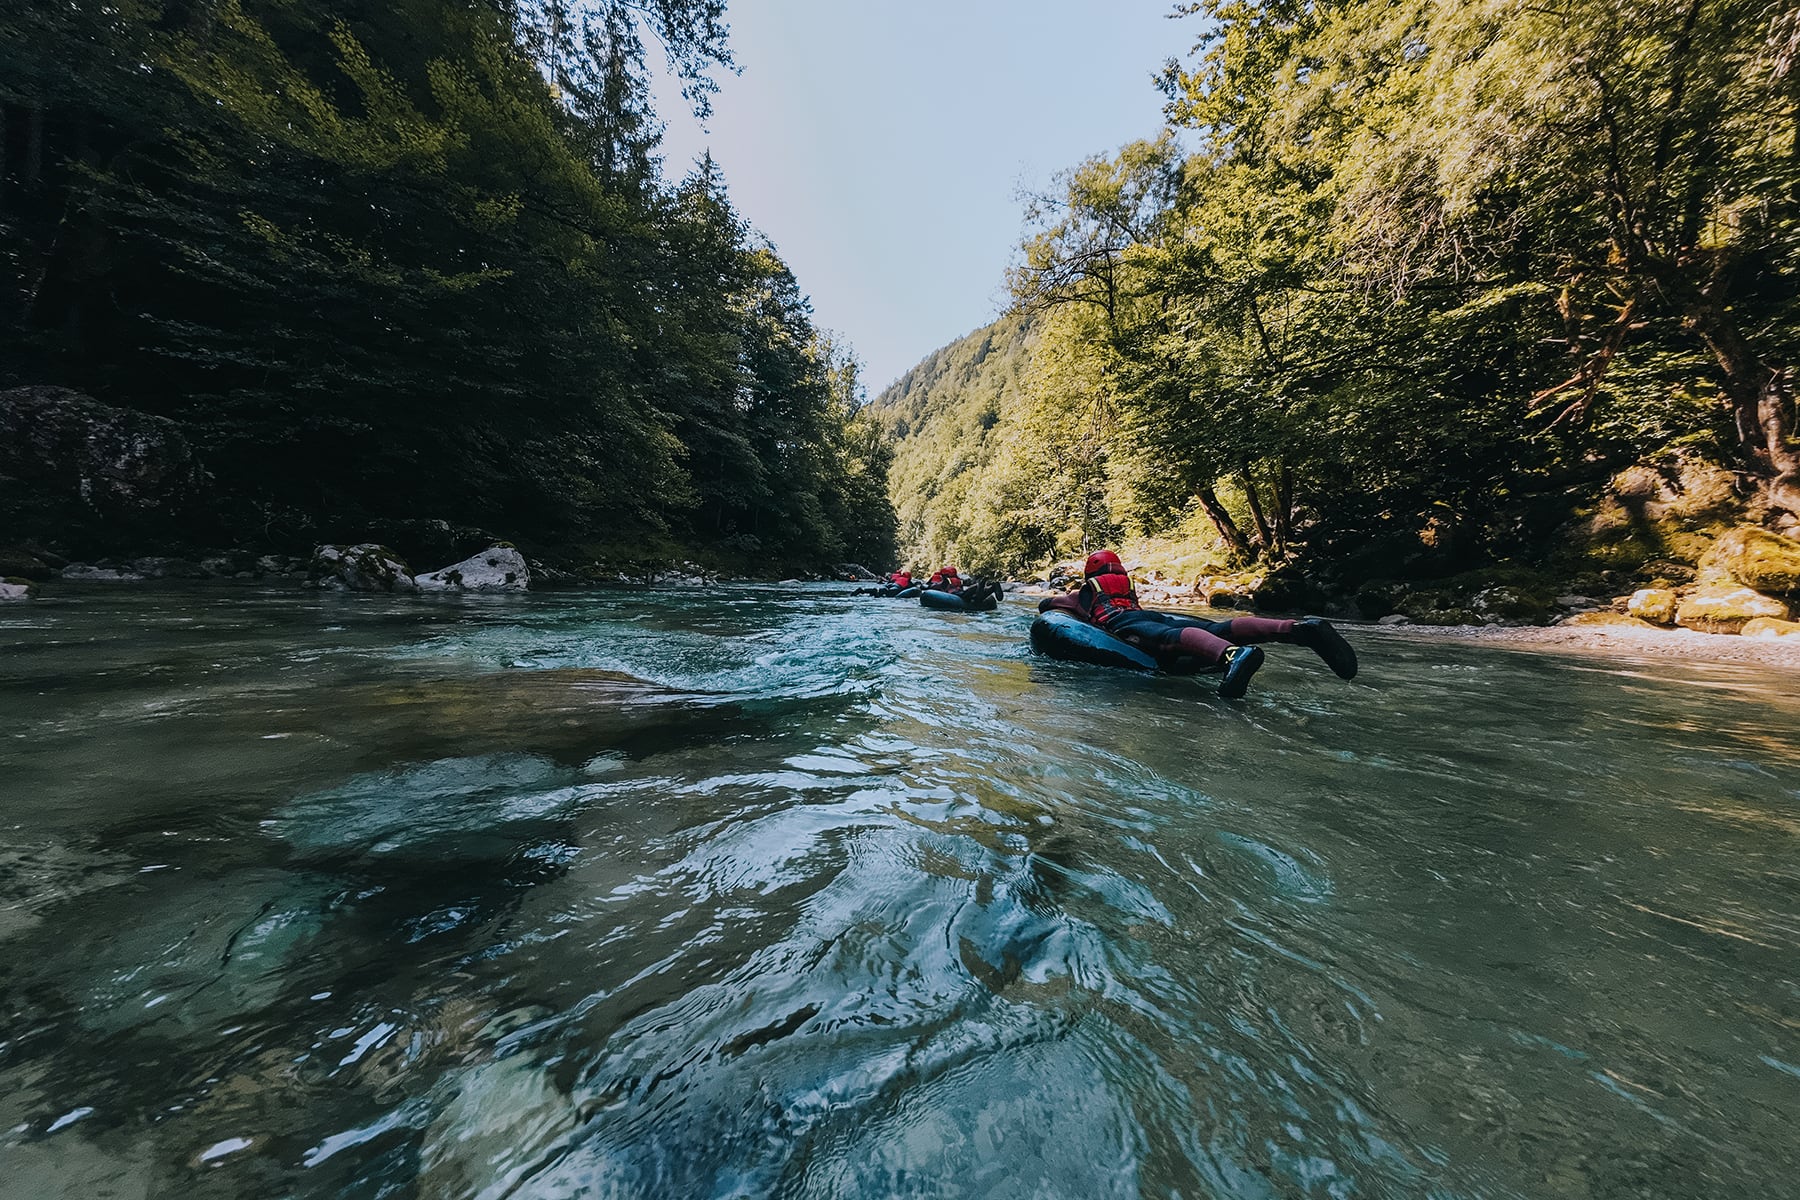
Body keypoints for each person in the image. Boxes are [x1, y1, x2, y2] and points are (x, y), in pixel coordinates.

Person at [1038, 550, 1357, 698]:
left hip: (1125, 623)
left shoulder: (1087, 589)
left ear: (1090, 572)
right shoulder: (1127, 584)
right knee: (1215, 627)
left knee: (1167, 638)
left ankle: (1232, 656)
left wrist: (1055, 603)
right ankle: (1298, 630)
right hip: (1147, 612)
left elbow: (1053, 606)